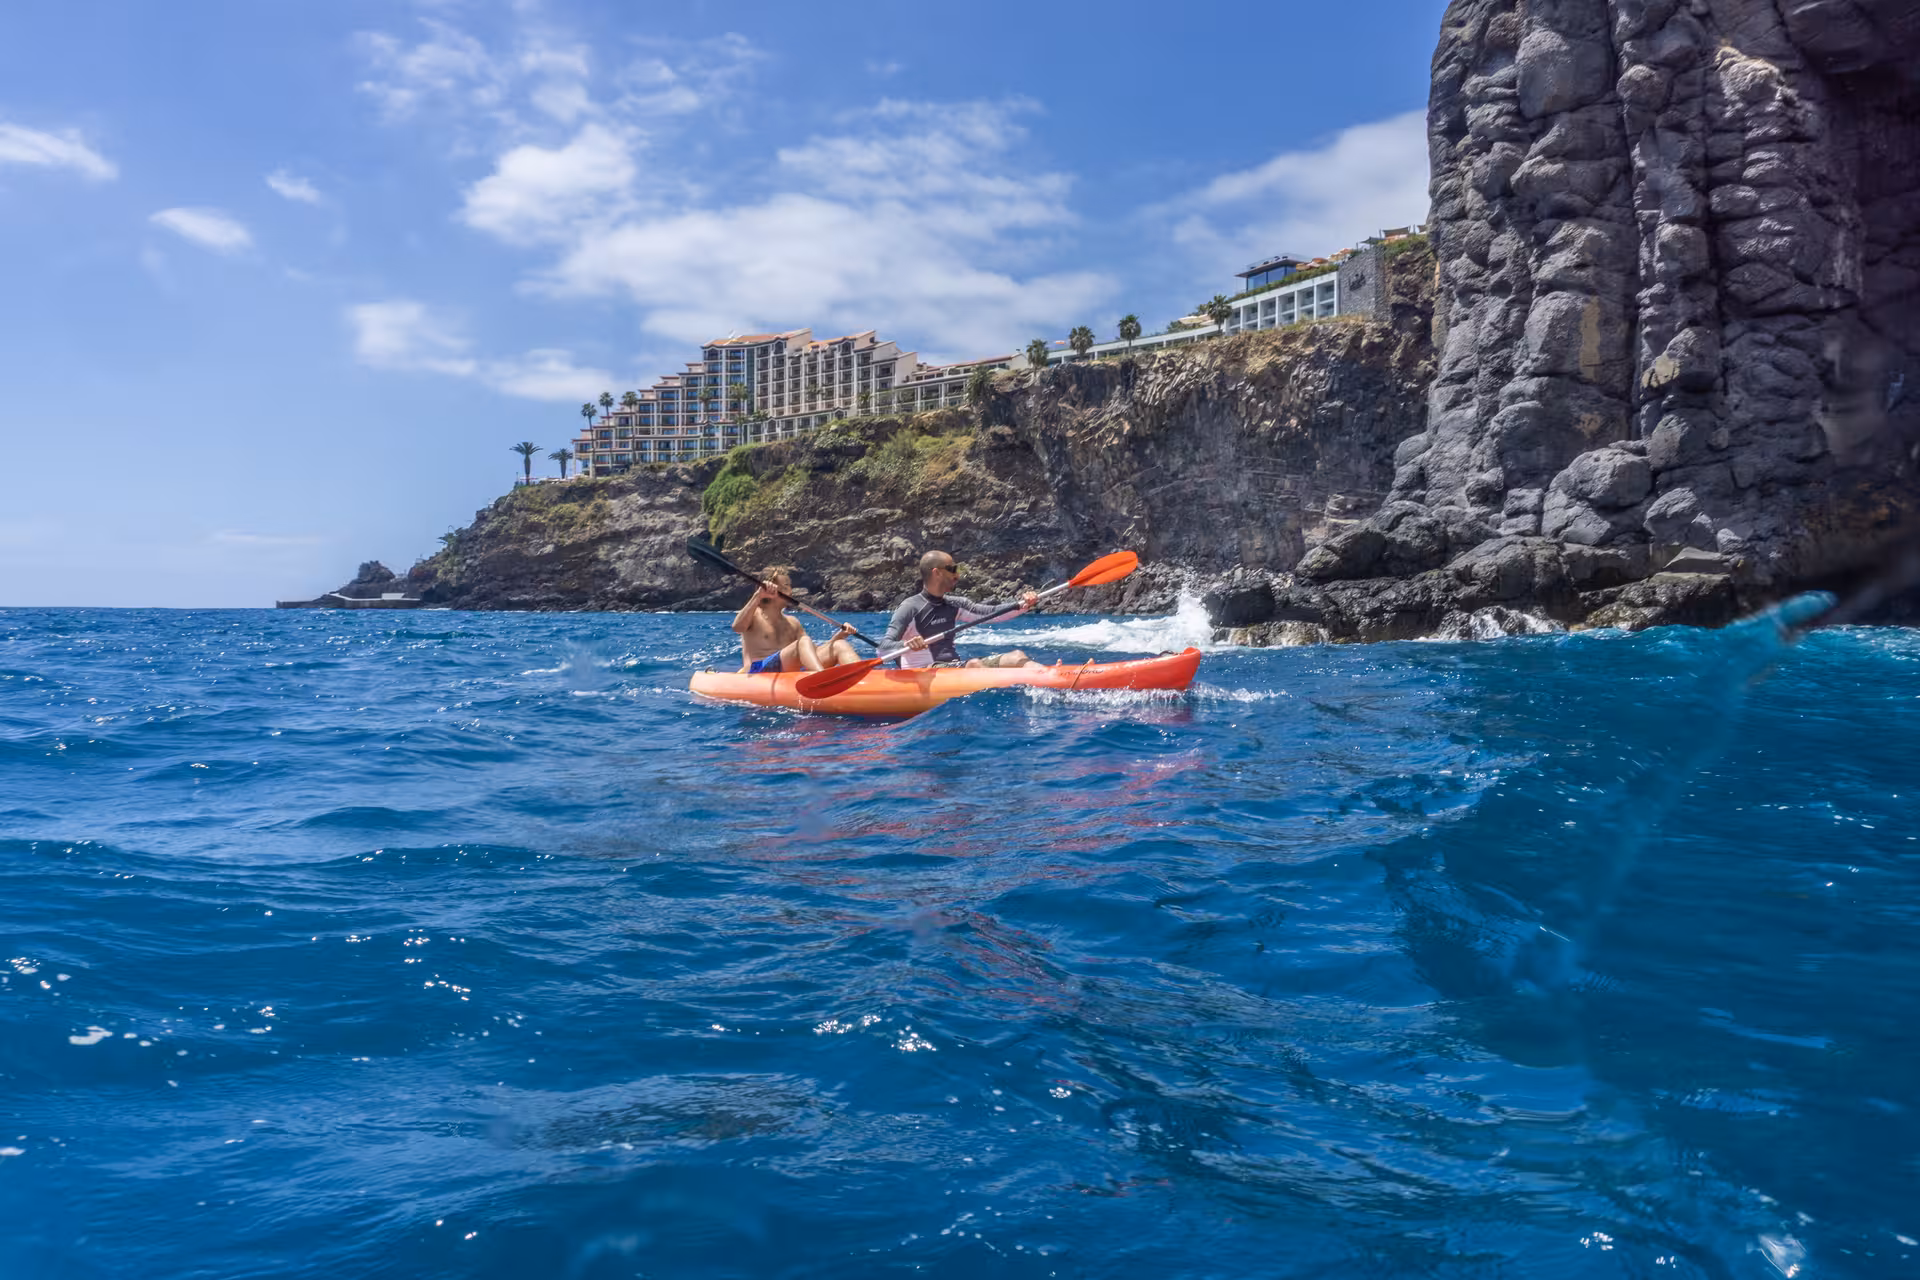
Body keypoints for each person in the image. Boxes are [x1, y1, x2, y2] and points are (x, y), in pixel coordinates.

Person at [886, 550, 1044, 670]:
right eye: (953, 569)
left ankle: (1052, 676)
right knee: (974, 665)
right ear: (937, 573)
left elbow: (991, 613)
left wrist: (1024, 604)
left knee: (1017, 657)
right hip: (925, 671)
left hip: (954, 667)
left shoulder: (954, 604)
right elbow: (883, 648)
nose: (958, 575)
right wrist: (905, 644)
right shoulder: (909, 607)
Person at [732, 566, 858, 674]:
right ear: (772, 589)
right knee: (803, 642)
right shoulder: (753, 614)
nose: (791, 591)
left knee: (839, 645)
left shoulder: (793, 622)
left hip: (787, 669)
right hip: (758, 671)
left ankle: (863, 677)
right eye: (786, 586)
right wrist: (758, 595)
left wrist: (838, 636)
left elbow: (813, 652)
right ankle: (821, 678)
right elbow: (737, 627)